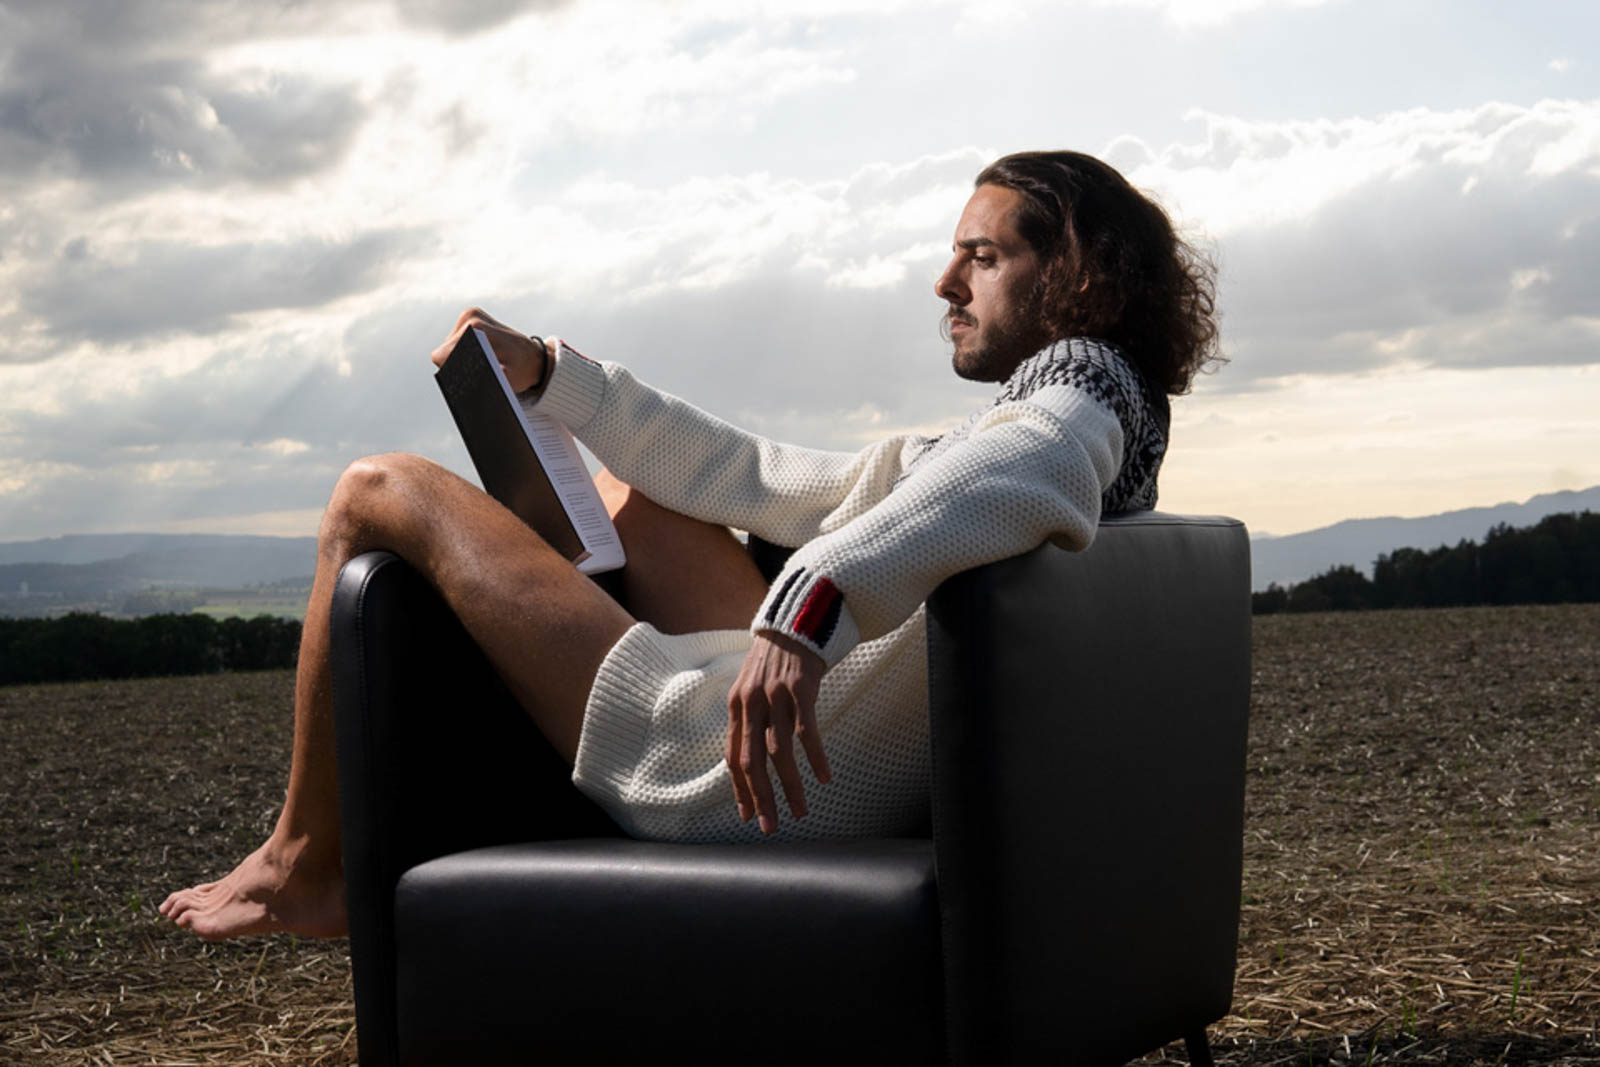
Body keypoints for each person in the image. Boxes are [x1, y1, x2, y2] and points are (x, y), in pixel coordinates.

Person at [159, 149, 1220, 941]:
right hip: (815, 753)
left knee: (375, 488)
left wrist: (803, 611)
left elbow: (1032, 463)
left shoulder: (1079, 397)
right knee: (635, 499)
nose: (946, 283)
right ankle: (536, 670)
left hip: (734, 777)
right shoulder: (1072, 418)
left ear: (1080, 279)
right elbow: (759, 477)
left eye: (982, 257)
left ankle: (303, 860)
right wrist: (556, 376)